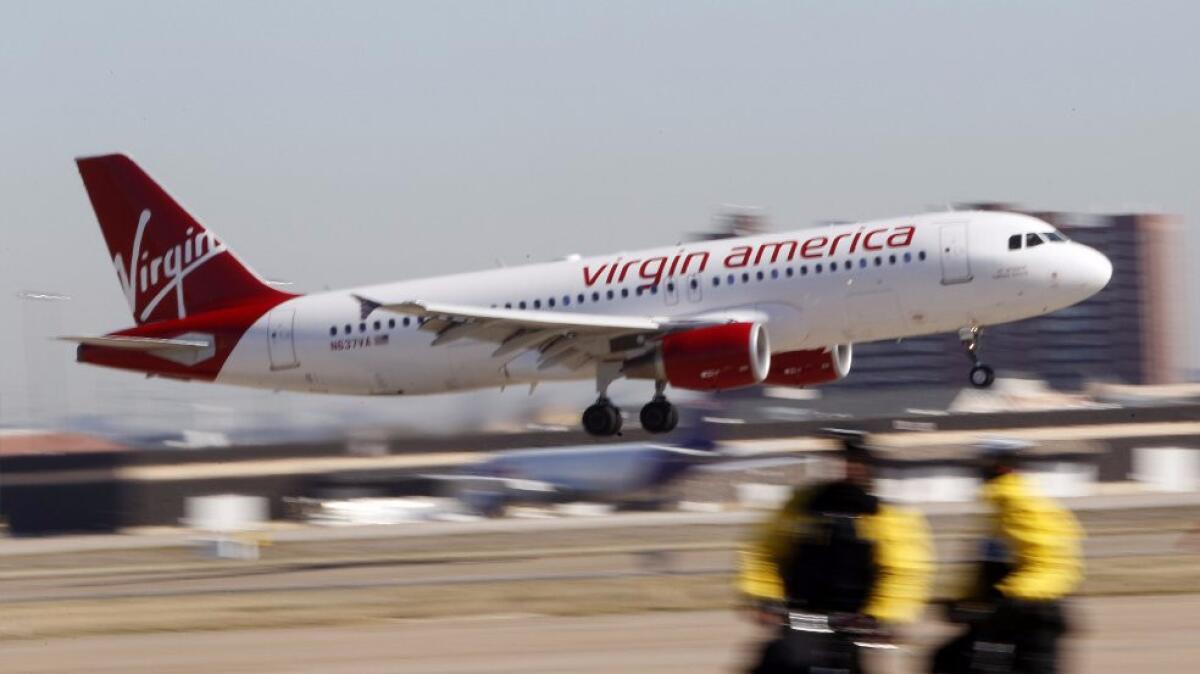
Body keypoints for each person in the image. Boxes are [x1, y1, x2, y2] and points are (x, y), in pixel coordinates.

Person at [739, 429, 934, 673]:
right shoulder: (802, 505)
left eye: (857, 463)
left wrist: (881, 617)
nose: (849, 470)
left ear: (871, 469)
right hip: (801, 615)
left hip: (854, 623)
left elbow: (905, 571)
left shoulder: (889, 516)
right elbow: (765, 551)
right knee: (775, 663)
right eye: (843, 462)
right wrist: (765, 597)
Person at [930, 439, 1083, 674]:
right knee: (947, 659)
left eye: (983, 464)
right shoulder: (998, 508)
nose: (977, 470)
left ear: (999, 466)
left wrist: (1014, 597)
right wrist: (963, 599)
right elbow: (988, 564)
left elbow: (1050, 561)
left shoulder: (1024, 503)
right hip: (1004, 616)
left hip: (1033, 615)